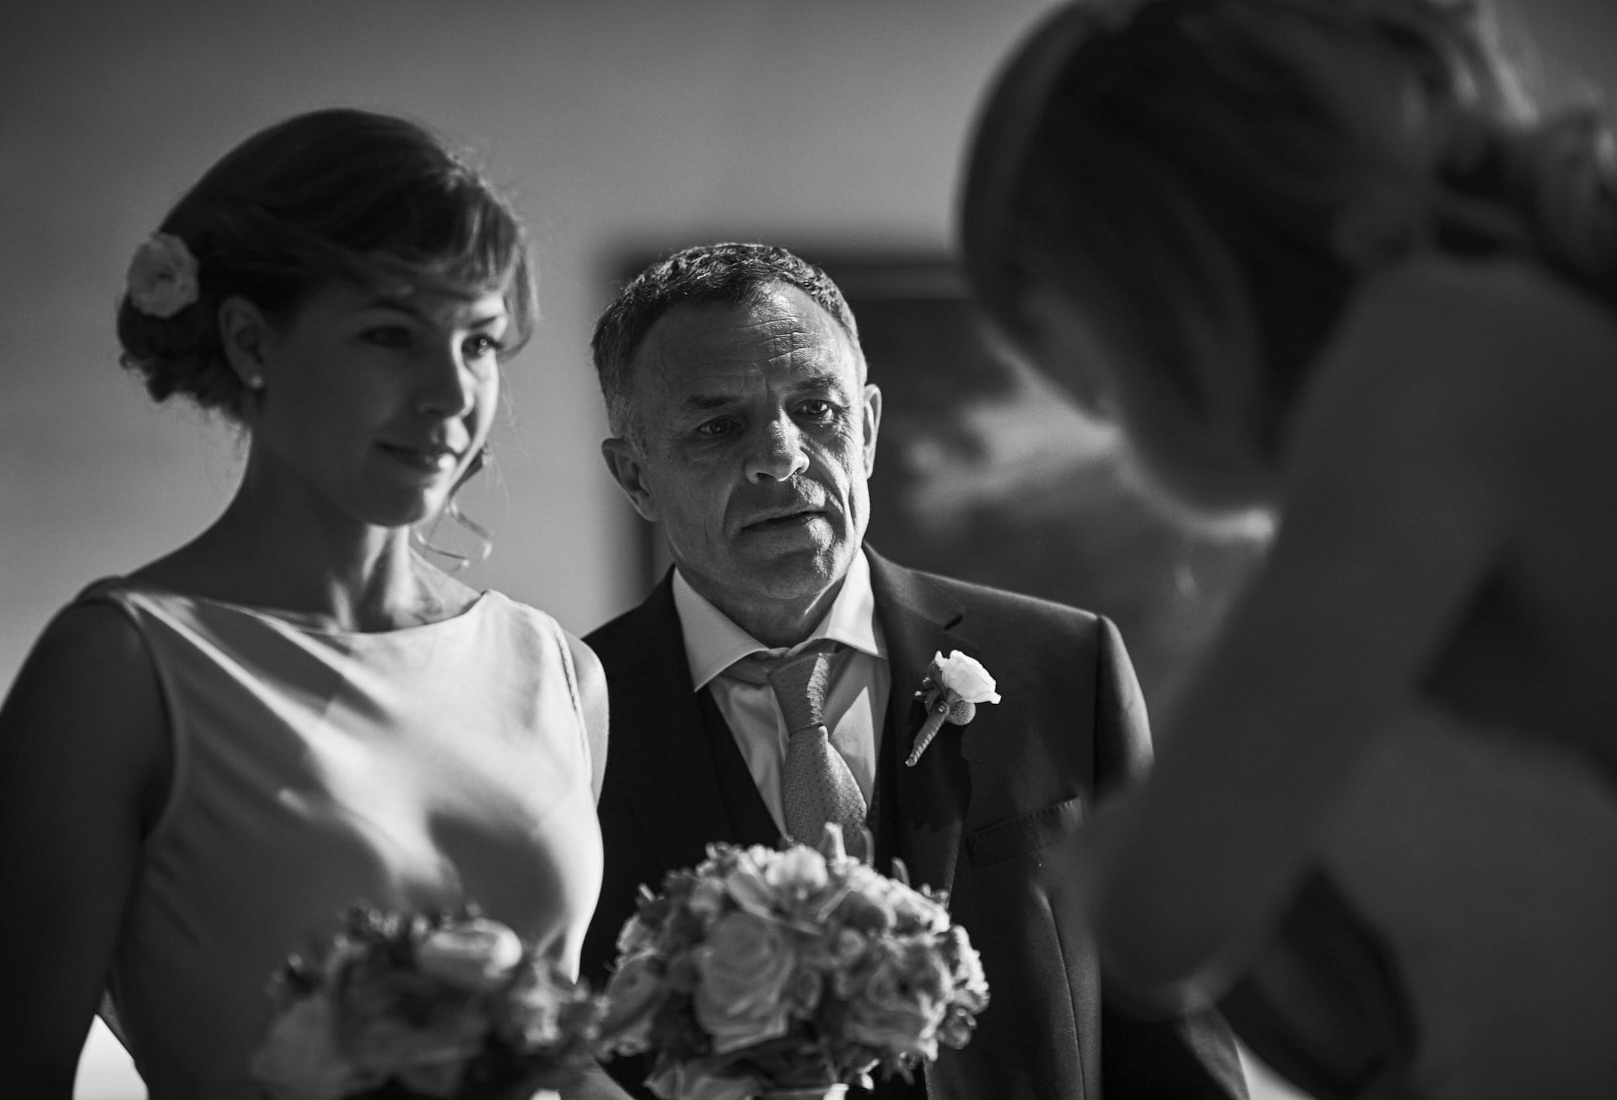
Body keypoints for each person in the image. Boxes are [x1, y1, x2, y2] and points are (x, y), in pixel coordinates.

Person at [960, 1, 1617, 1097]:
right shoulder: (1517, 342)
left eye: (1102, 385)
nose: (1122, 446)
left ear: (1172, 287)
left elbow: (1160, 912)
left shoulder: (1437, 352)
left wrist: (1095, 855)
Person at [0, 108, 620, 1099]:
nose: (452, 395)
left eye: (480, 342)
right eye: (391, 335)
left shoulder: (558, 673)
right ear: (248, 340)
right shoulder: (120, 670)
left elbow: (563, 1068)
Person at [577, 241, 1248, 1100]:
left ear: (866, 428)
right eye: (717, 426)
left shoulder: (1063, 667)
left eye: (815, 409)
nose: (781, 456)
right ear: (634, 475)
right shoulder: (567, 715)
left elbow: (1165, 1037)